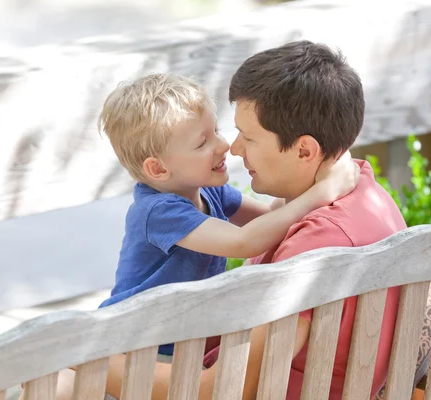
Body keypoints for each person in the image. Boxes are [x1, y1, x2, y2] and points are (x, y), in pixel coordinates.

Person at [55, 40, 406, 400]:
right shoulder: (365, 191)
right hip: (144, 336)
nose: (231, 148)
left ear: (304, 150)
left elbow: (221, 390)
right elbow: (257, 231)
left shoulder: (314, 245)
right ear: (158, 168)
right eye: (207, 141)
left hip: (174, 353)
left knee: (57, 367)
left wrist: (76, 353)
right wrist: (309, 187)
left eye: (247, 137)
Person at [96, 73, 359, 358]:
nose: (223, 146)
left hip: (181, 340)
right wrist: (323, 192)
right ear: (158, 169)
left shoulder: (209, 192)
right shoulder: (158, 211)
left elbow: (268, 220)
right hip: (136, 346)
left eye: (216, 131)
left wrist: (304, 173)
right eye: (202, 143)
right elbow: (244, 242)